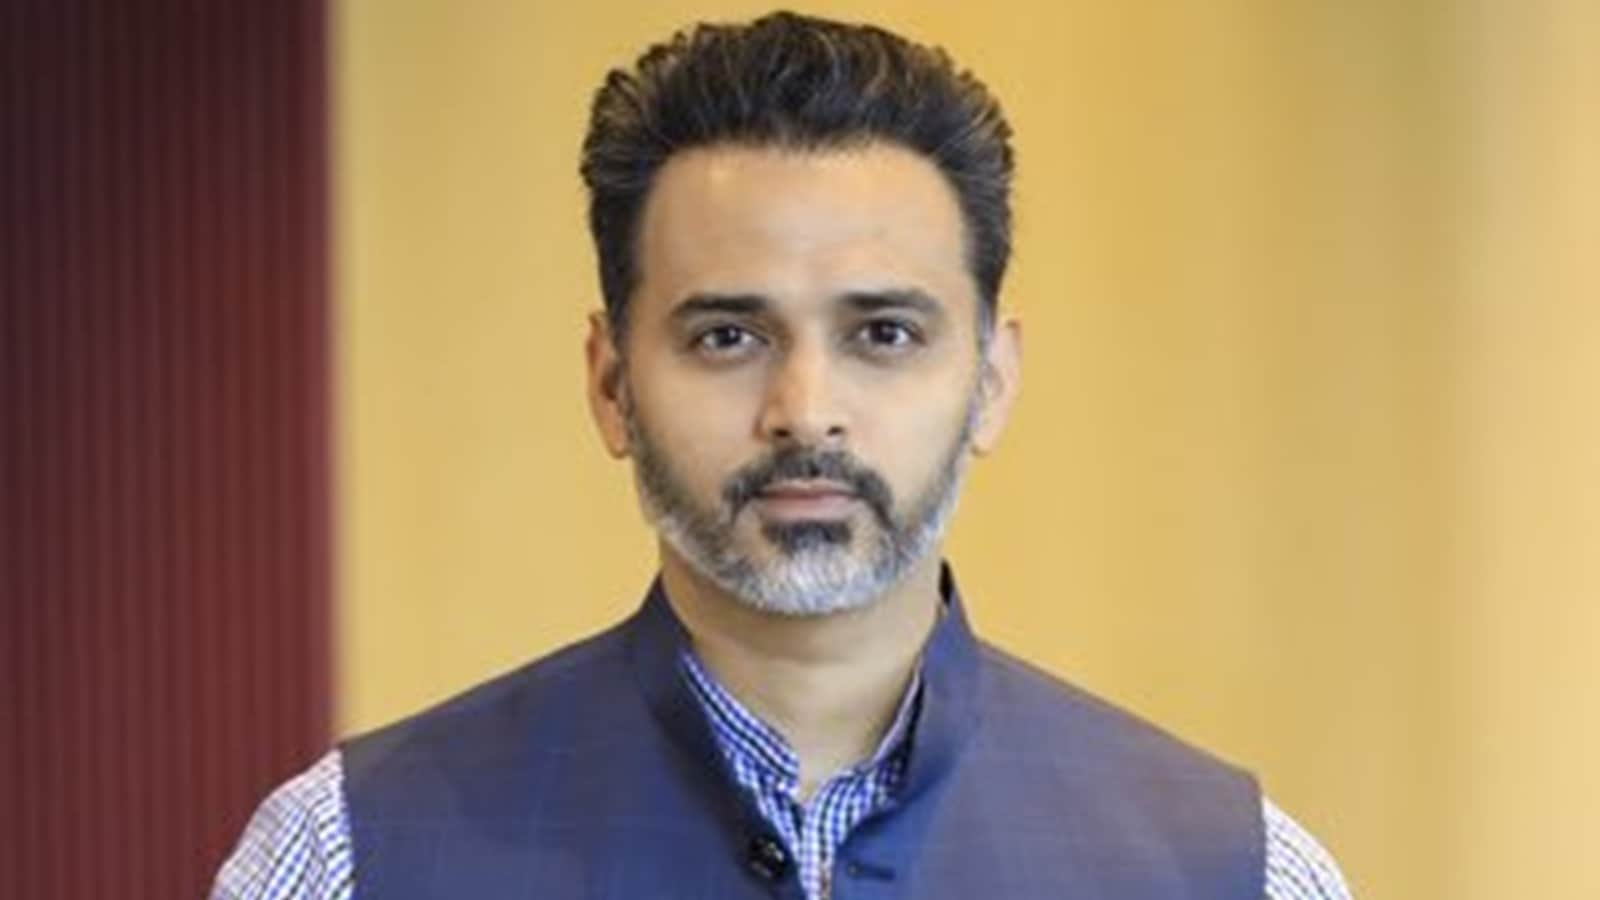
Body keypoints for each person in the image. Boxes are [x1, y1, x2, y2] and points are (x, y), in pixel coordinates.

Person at [213, 11, 1352, 899]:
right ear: (611, 385)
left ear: (991, 383)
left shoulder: (1238, 873)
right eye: (728, 337)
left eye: (883, 335)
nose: (805, 413)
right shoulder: (346, 856)